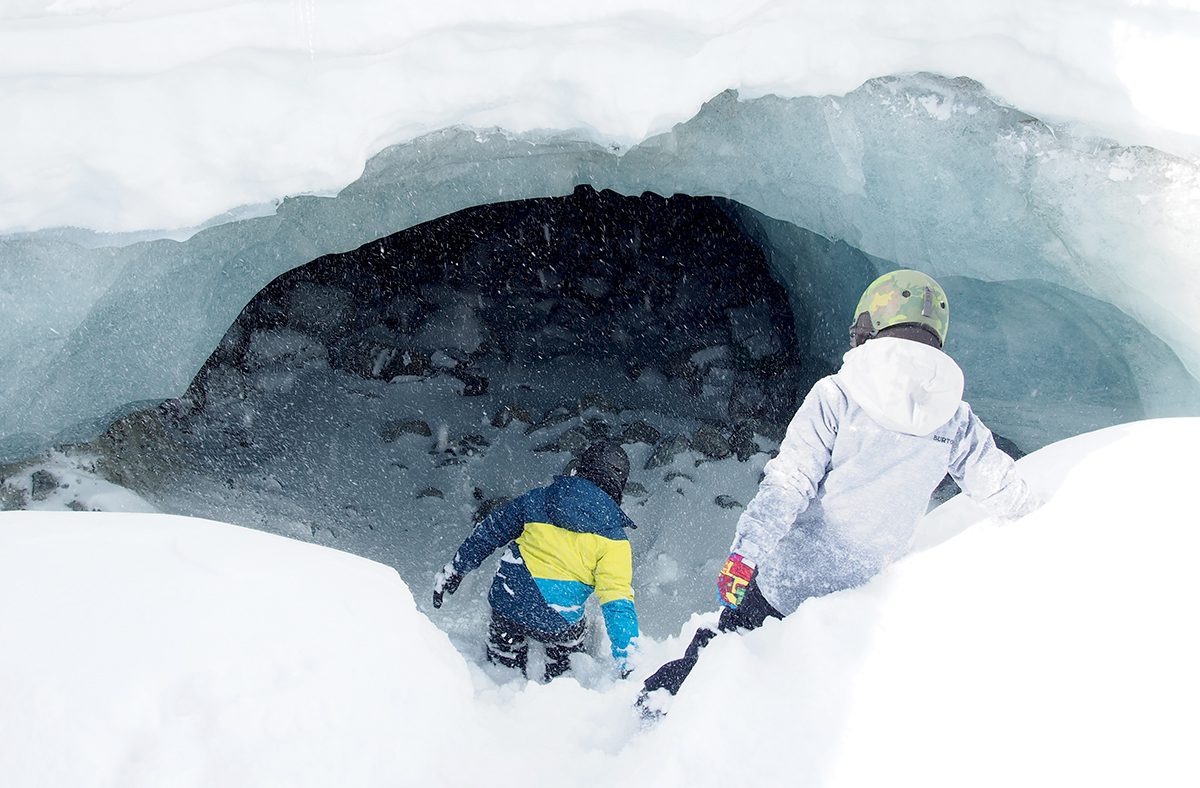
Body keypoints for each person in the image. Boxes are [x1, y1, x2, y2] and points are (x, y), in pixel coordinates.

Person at [638, 269, 1041, 712]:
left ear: (873, 327)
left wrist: (744, 554)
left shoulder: (837, 395)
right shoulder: (953, 417)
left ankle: (658, 715)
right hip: (865, 593)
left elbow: (789, 482)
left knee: (724, 658)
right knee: (797, 694)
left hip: (788, 580)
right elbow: (1002, 490)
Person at [433, 440, 640, 681]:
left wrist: (456, 570)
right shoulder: (614, 538)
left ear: (580, 468)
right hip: (558, 620)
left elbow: (490, 530)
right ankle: (561, 679)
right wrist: (628, 660)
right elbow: (617, 603)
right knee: (570, 641)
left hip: (509, 601)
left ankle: (501, 678)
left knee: (501, 672)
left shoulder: (539, 499)